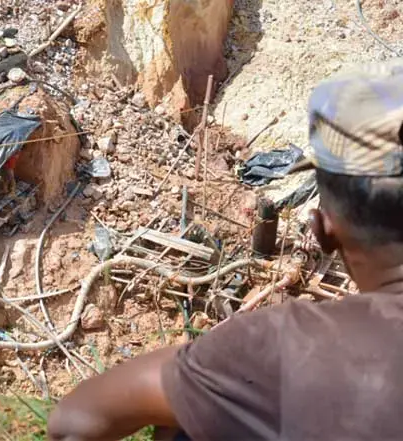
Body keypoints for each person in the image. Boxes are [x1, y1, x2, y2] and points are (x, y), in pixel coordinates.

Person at [48, 60, 403, 441]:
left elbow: (72, 421)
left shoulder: (283, 347)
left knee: (179, 424)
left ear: (322, 229)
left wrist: (203, 367)